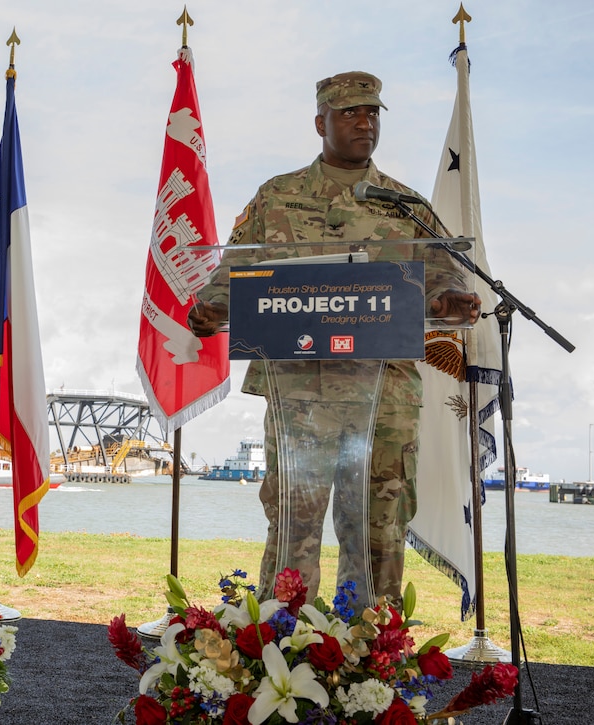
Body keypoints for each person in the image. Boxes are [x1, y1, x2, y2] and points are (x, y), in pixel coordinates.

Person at [188, 71, 480, 607]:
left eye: (372, 113)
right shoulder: (276, 197)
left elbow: (444, 272)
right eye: (349, 113)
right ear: (320, 122)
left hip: (384, 396)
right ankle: (282, 647)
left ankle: (370, 660)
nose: (364, 122)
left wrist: (448, 299)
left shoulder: (405, 206)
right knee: (293, 527)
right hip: (297, 392)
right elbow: (234, 272)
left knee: (377, 528)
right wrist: (209, 310)